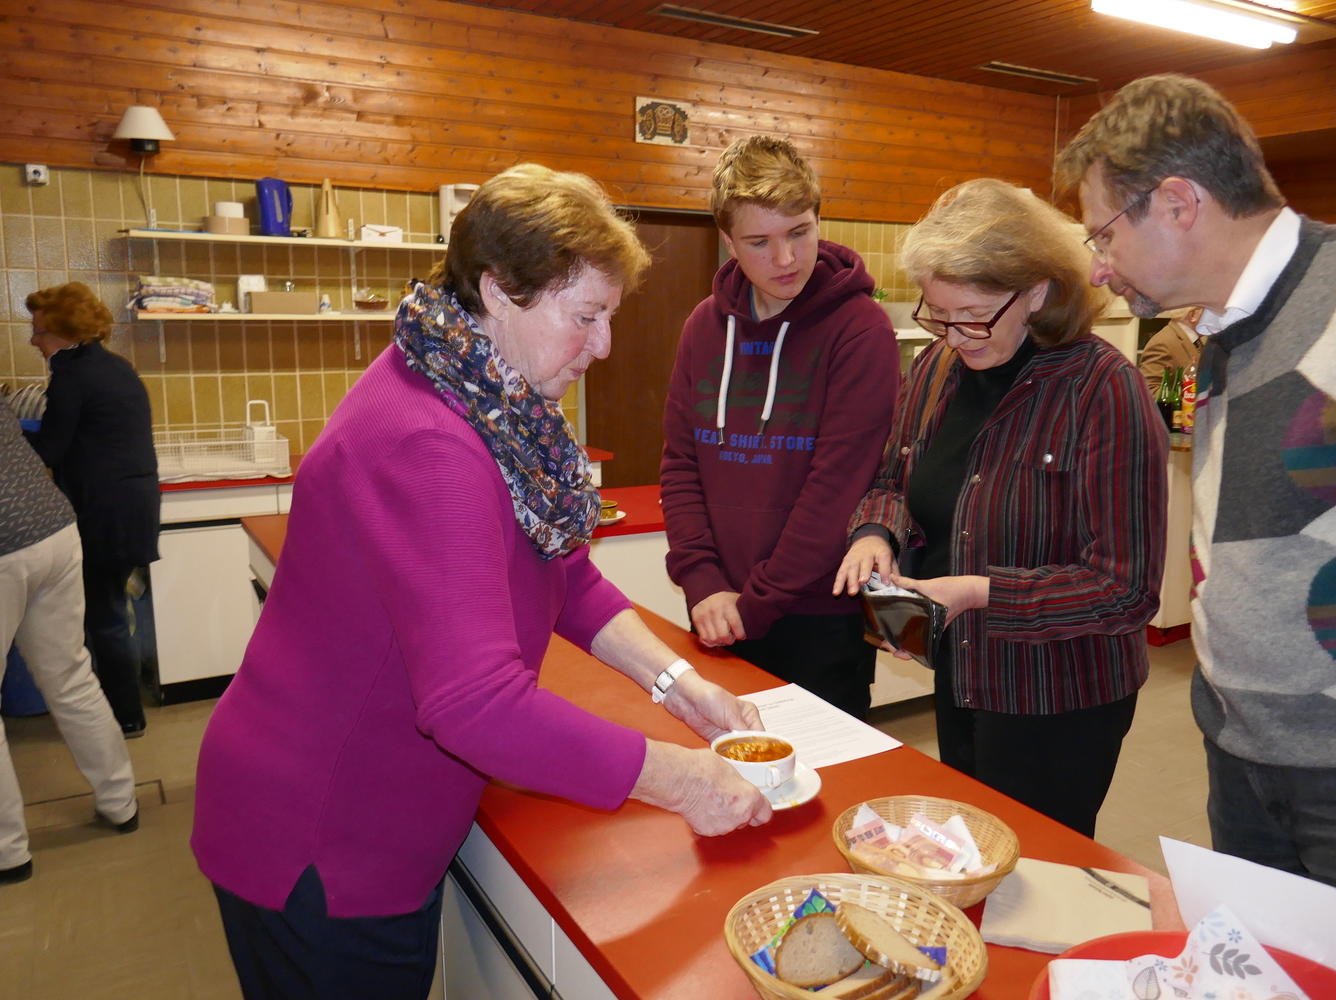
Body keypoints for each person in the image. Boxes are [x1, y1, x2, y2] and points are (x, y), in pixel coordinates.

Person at [191, 163, 771, 1000]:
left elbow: (562, 571)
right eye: (586, 317)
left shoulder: (476, 391)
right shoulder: (434, 442)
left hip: (348, 814)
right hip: (323, 838)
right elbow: (476, 706)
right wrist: (683, 779)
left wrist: (681, 689)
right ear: (499, 292)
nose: (604, 346)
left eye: (610, 317)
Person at [1054, 73, 1336, 999]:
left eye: (1102, 233)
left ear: (1178, 202)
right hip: (1248, 769)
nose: (1098, 266)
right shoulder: (1225, 336)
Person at [833, 178, 1167, 837]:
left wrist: (977, 592)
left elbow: (1125, 591)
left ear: (1037, 292)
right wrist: (875, 533)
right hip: (963, 672)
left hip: (1059, 696)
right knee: (970, 851)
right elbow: (892, 481)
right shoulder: (934, 370)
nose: (956, 335)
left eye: (975, 314)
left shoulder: (1103, 389)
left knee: (1038, 867)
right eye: (938, 314)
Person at [660, 135, 900, 721]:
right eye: (760, 242)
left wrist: (754, 606)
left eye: (799, 232)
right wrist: (702, 581)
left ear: (818, 220)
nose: (786, 258)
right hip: (719, 609)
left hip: (819, 617)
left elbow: (835, 488)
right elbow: (681, 463)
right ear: (728, 242)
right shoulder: (703, 326)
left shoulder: (861, 329)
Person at [0, 393, 139, 886]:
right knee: (70, 676)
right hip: (53, 531)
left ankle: (7, 851)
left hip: (4, 549)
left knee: (67, 676)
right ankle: (121, 801)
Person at [23, 282, 158, 737]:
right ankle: (123, 708)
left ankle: (125, 717)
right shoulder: (117, 367)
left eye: (39, 331)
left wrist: (10, 430)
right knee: (113, 610)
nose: (33, 340)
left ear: (63, 332)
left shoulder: (71, 376)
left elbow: (51, 449)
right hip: (133, 506)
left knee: (105, 617)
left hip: (103, 511)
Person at [1135, 308, 1202, 392]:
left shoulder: (1196, 340)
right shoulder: (1163, 343)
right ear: (1193, 315)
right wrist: (1186, 398)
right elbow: (1149, 390)